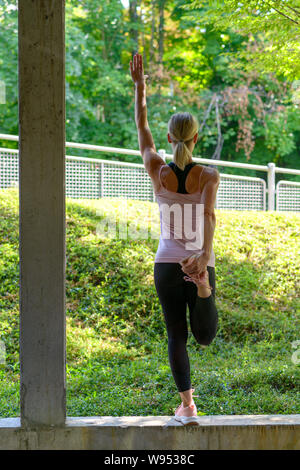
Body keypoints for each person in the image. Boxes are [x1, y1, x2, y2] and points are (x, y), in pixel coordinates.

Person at [130, 53, 220, 425]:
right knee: (204, 337)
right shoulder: (209, 176)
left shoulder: (157, 170)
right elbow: (211, 216)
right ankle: (202, 289)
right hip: (200, 261)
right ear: (196, 138)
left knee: (176, 335)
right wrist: (203, 256)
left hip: (166, 263)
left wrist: (140, 89)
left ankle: (188, 405)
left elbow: (142, 129)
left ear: (170, 138)